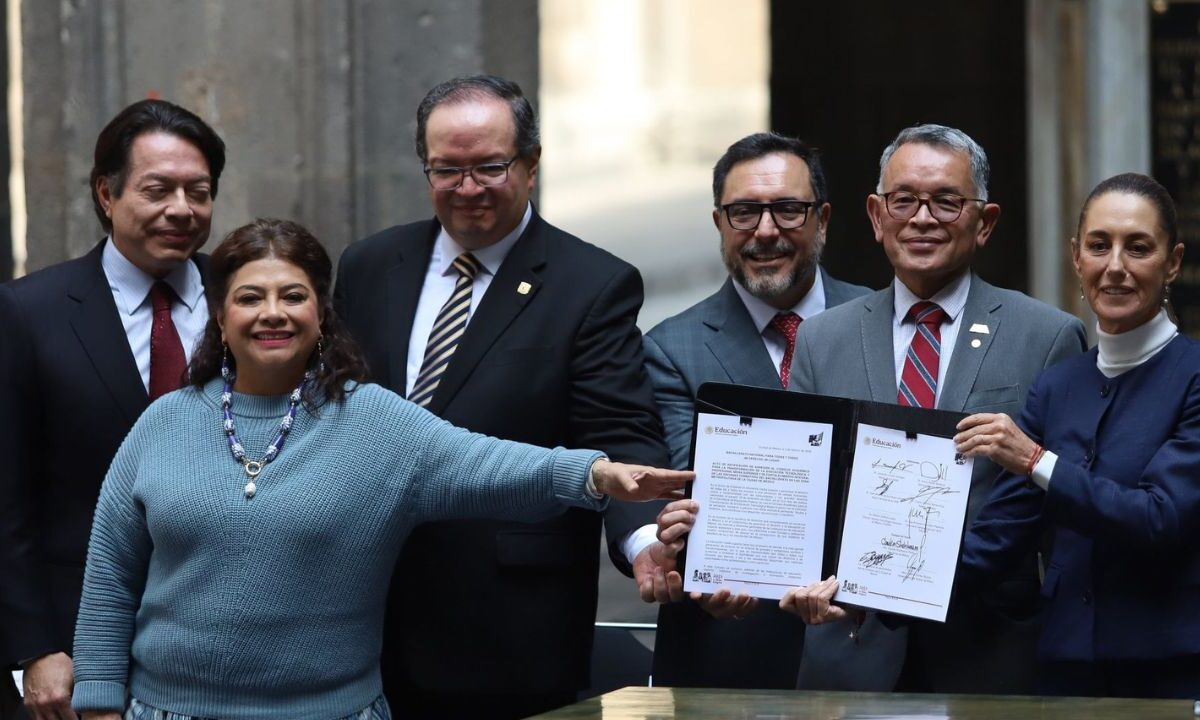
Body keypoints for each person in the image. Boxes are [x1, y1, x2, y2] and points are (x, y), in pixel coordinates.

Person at [68, 218, 689, 720]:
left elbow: (493, 465)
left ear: (321, 314)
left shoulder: (374, 424)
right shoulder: (163, 422)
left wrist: (600, 475)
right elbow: (110, 578)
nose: (272, 313)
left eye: (293, 295)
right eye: (249, 297)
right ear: (221, 315)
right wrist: (97, 705)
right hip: (166, 711)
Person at [658, 124, 1086, 694]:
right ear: (877, 216)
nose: (923, 218)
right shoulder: (822, 339)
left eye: (947, 201)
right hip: (849, 655)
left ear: (984, 223)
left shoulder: (1048, 336)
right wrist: (743, 559)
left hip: (990, 652)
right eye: (903, 200)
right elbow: (803, 492)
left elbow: (1057, 510)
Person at [334, 75, 668, 718]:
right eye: (446, 170)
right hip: (366, 611)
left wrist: (643, 536)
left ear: (532, 164)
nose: (467, 189)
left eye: (489, 166)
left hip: (509, 623)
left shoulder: (591, 284)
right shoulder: (370, 264)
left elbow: (618, 429)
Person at [0, 98, 225, 719]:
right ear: (107, 193)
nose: (181, 209)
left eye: (198, 192)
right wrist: (32, 648)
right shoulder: (29, 312)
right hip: (76, 641)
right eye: (158, 190)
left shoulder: (250, 300)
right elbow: (8, 499)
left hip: (227, 636)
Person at [950, 173, 1198, 698]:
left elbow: (1158, 519)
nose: (1115, 267)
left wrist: (1039, 460)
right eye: (1098, 245)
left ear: (1172, 262)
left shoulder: (1194, 376)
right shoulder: (1058, 384)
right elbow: (999, 536)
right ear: (1076, 257)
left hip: (1167, 669)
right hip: (1064, 665)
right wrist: (866, 592)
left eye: (1138, 248)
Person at [638, 132, 869, 688]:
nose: (766, 231)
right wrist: (694, 553)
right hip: (731, 650)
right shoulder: (671, 347)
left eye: (788, 209)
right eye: (745, 212)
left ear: (824, 219)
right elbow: (682, 487)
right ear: (719, 223)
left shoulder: (879, 323)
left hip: (863, 647)